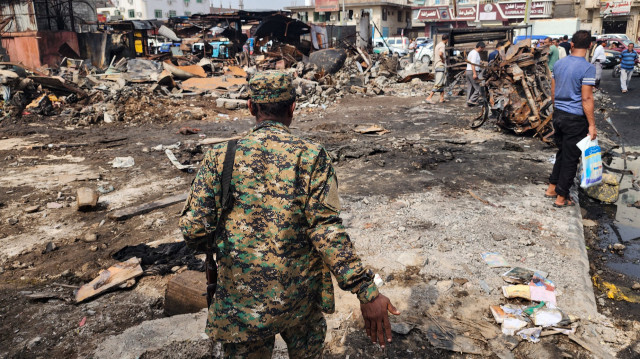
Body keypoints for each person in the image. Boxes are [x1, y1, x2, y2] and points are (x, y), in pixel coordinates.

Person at [179, 71, 399, 358]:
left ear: (251, 107)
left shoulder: (221, 156)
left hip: (242, 304)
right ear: (293, 107)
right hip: (300, 302)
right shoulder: (311, 156)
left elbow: (194, 230)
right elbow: (326, 230)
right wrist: (366, 291)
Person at [545, 30, 597, 208]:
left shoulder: (559, 64)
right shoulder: (588, 68)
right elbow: (586, 98)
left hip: (559, 114)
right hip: (575, 119)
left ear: (572, 45)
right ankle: (561, 198)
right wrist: (592, 125)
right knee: (571, 159)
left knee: (562, 152)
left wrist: (557, 110)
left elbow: (553, 91)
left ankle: (552, 187)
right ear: (589, 46)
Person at [426, 34, 449, 104]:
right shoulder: (442, 45)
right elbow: (440, 54)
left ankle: (442, 98)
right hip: (440, 65)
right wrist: (443, 60)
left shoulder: (438, 45)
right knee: (438, 83)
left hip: (437, 65)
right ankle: (429, 97)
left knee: (441, 83)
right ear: (447, 39)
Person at [466, 41, 485, 106]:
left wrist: (480, 63)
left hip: (468, 71)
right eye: (483, 49)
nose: (483, 50)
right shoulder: (475, 53)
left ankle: (468, 103)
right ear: (480, 47)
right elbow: (472, 64)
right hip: (472, 71)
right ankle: (471, 100)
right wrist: (474, 73)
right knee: (478, 88)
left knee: (470, 88)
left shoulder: (472, 52)